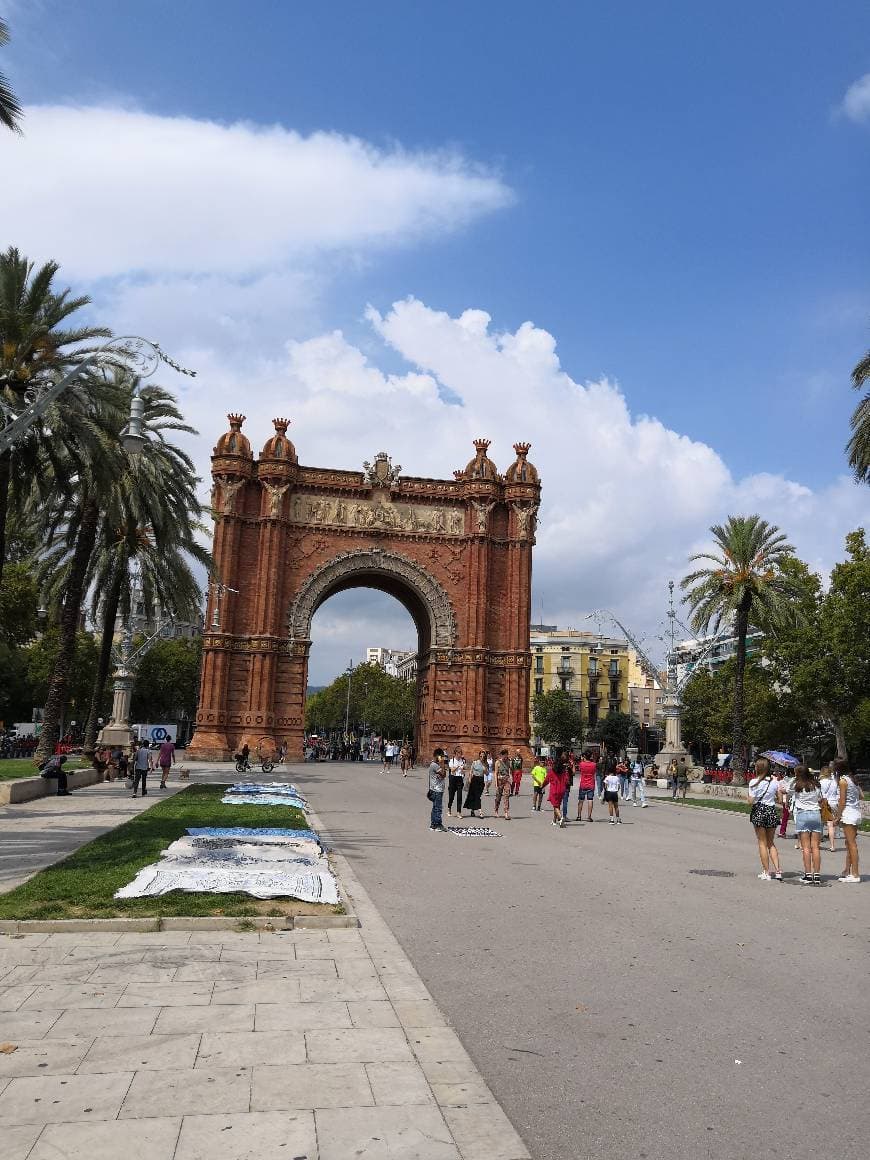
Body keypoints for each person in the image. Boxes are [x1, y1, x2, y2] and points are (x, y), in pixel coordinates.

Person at [747, 757, 782, 881]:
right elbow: (780, 800)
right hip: (771, 811)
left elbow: (750, 802)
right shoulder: (775, 781)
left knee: (762, 843)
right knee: (770, 842)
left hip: (759, 811)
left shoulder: (754, 782)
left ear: (758, 768)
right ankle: (778, 870)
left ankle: (766, 872)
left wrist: (750, 798)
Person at [791, 764, 824, 884]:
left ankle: (808, 874)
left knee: (805, 847)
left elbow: (787, 791)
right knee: (815, 846)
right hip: (815, 814)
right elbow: (821, 799)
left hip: (802, 814)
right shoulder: (816, 785)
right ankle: (817, 875)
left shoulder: (796, 785)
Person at [833, 758, 862, 883]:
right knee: (849, 844)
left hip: (849, 814)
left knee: (851, 845)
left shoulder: (843, 781)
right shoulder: (852, 779)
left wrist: (837, 816)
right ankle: (847, 870)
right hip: (855, 812)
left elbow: (842, 801)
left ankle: (855, 874)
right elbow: (861, 795)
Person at [543, 756, 570, 828]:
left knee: (555, 806)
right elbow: (567, 781)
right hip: (562, 790)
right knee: (557, 805)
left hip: (554, 790)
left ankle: (561, 819)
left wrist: (542, 786)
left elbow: (546, 781)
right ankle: (554, 820)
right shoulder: (564, 772)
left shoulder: (551, 772)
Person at [819, 763, 840, 852]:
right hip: (834, 803)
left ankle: (819, 842)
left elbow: (819, 795)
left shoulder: (821, 782)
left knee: (820, 824)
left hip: (824, 804)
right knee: (831, 826)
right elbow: (837, 793)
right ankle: (832, 846)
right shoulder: (834, 782)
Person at [428, 748, 447, 831]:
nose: (442, 758)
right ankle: (438, 824)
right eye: (441, 756)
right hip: (437, 790)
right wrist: (442, 763)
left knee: (435, 807)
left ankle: (433, 824)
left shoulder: (435, 765)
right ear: (438, 756)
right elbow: (443, 774)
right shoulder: (435, 765)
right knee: (438, 808)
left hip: (436, 789)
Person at [464, 751, 487, 818]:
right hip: (474, 780)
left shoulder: (485, 764)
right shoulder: (475, 762)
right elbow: (471, 771)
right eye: (481, 756)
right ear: (479, 756)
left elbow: (487, 773)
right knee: (475, 796)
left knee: (477, 796)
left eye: (483, 756)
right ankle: (480, 812)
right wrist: (469, 779)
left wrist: (485, 769)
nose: (482, 757)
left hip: (481, 780)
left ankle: (472, 810)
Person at [576, 750, 597, 822]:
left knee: (581, 800)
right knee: (590, 800)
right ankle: (589, 816)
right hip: (591, 784)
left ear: (584, 756)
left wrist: (582, 759)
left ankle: (579, 816)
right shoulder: (594, 764)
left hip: (583, 784)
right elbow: (594, 772)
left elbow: (580, 770)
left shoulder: (581, 764)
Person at [493, 748, 513, 820]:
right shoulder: (497, 762)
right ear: (501, 755)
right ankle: (496, 810)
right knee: (498, 797)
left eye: (506, 755)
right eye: (504, 756)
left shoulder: (508, 762)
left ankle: (506, 813)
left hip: (506, 780)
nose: (505, 757)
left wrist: (511, 778)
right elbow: (495, 773)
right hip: (499, 781)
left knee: (506, 796)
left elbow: (510, 771)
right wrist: (496, 783)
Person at [447, 747, 465, 818]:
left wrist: (463, 771)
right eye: (459, 753)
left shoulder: (462, 761)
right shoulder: (452, 760)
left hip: (460, 778)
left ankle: (459, 812)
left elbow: (464, 770)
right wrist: (458, 767)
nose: (460, 754)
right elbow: (452, 770)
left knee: (459, 796)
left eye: (461, 753)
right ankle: (449, 809)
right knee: (451, 796)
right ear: (456, 753)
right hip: (453, 779)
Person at [775, 767, 792, 839]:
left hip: (786, 801)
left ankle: (782, 831)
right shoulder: (794, 781)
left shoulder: (782, 781)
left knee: (785, 816)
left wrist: (780, 798)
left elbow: (779, 791)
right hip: (794, 800)